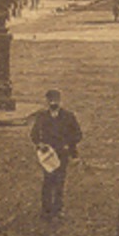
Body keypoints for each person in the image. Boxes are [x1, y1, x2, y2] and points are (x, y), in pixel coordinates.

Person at [30, 89, 83, 220]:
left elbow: (78, 134)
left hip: (62, 154)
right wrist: (39, 144)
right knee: (47, 181)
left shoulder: (68, 116)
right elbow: (34, 134)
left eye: (56, 101)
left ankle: (58, 209)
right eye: (50, 101)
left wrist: (68, 144)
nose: (53, 103)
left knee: (59, 182)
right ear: (47, 101)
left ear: (60, 101)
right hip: (47, 154)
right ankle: (46, 210)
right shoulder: (42, 116)